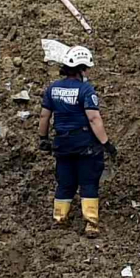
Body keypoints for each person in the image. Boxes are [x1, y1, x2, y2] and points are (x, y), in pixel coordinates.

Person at [39, 48, 113, 234]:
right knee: (88, 182)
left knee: (65, 182)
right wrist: (106, 143)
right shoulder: (86, 90)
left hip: (62, 144)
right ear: (81, 69)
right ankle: (91, 223)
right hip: (84, 144)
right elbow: (93, 118)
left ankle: (59, 218)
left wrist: (43, 138)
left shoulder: (53, 89)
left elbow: (44, 116)